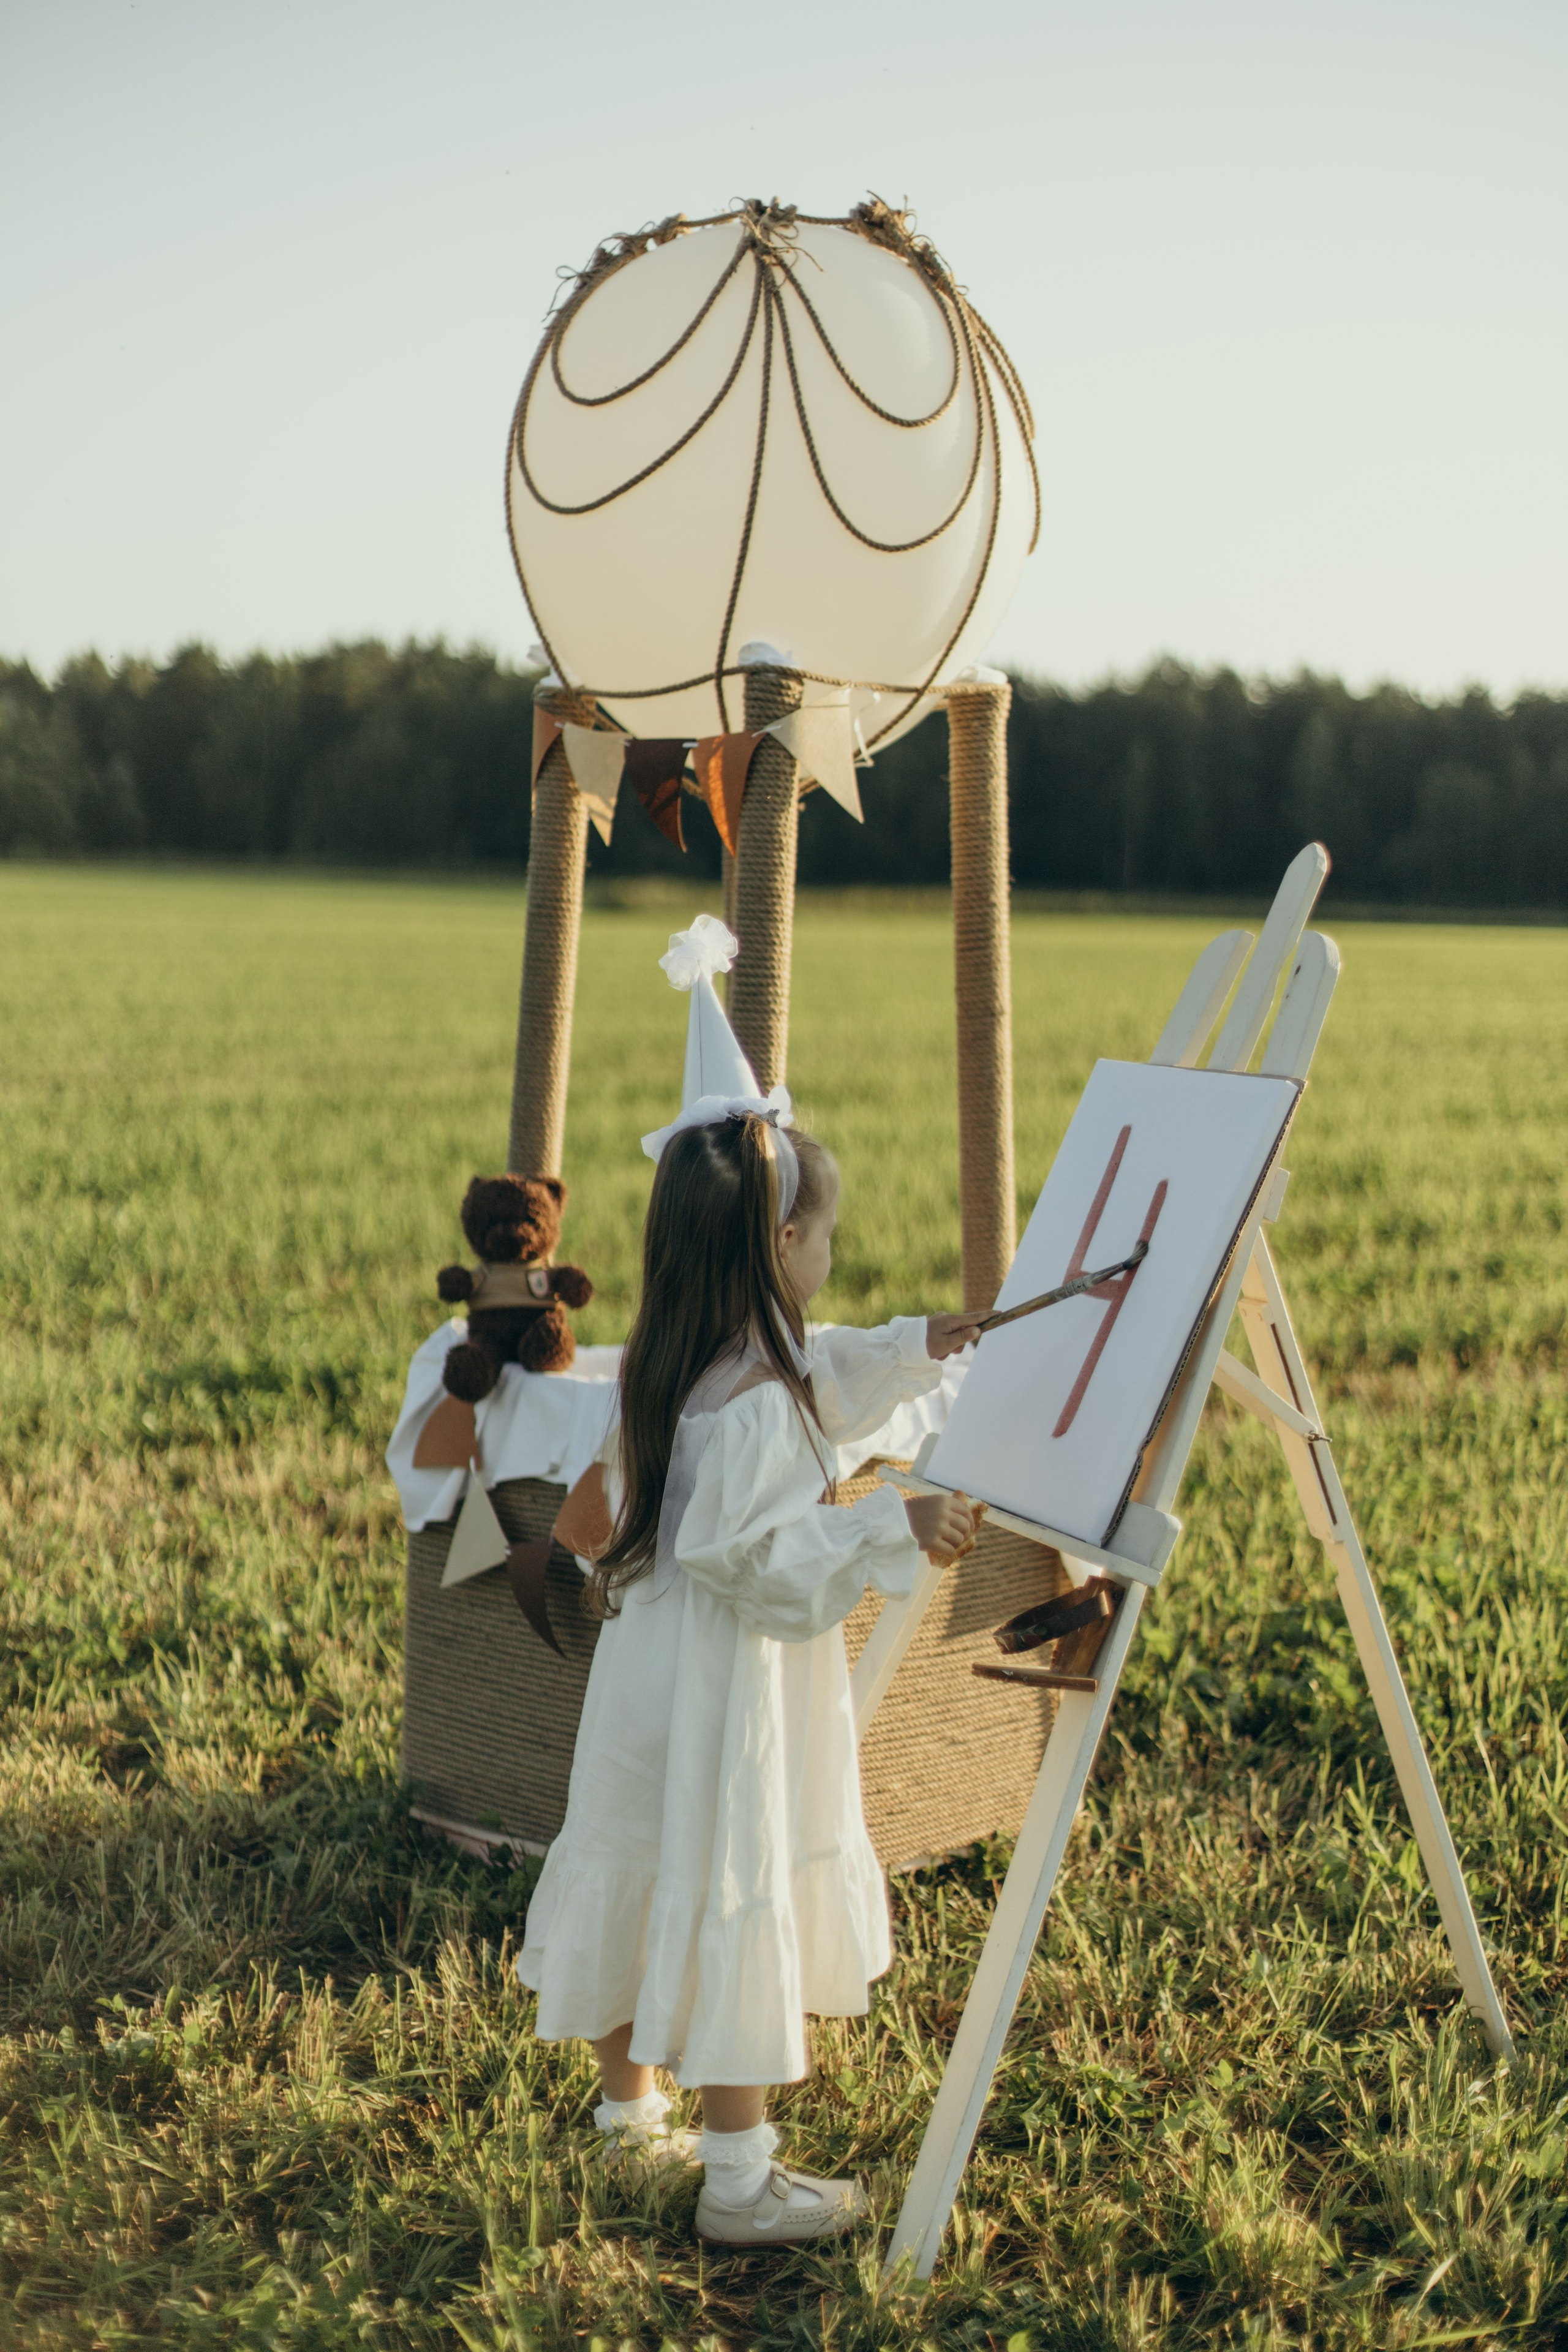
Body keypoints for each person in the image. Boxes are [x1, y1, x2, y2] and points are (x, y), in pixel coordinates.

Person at [517, 1061, 982, 2247]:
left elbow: (823, 1375)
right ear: (782, 1241)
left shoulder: (678, 1361)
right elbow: (755, 1556)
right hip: (729, 1694)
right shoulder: (757, 1400)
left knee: (637, 1862)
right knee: (727, 1882)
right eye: (824, 1235)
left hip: (645, 1684)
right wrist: (893, 1520)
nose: (830, 1257)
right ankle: (738, 2180)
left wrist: (919, 1347)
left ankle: (632, 2124)